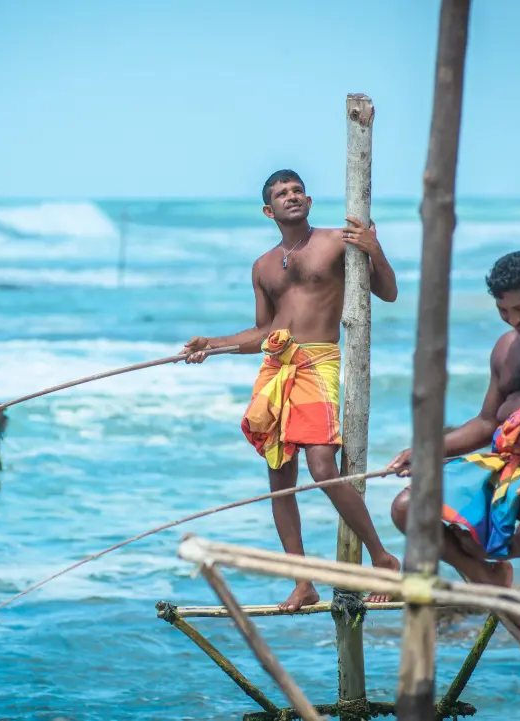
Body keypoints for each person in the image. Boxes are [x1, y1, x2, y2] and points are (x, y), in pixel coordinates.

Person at [182, 169, 401, 611]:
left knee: (323, 465)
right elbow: (265, 331)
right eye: (282, 194)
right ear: (269, 210)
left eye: (297, 190)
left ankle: (383, 558)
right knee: (279, 479)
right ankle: (303, 581)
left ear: (309, 200)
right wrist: (214, 344)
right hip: (277, 366)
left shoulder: (338, 240)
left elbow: (389, 292)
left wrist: (374, 250)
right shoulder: (263, 266)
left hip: (318, 362)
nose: (291, 197)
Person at [387, 251, 520, 627]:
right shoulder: (504, 346)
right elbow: (486, 422)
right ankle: (486, 577)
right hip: (503, 460)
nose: (514, 320)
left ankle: (490, 568)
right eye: (504, 311)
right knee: (407, 508)